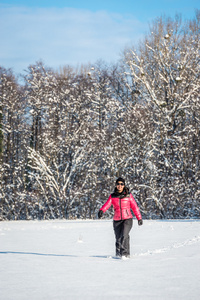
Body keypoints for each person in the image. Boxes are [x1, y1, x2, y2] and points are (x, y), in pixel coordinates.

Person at [98, 177, 143, 259]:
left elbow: (135, 207)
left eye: (121, 184)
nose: (120, 186)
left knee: (124, 235)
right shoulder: (113, 196)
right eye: (118, 184)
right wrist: (102, 210)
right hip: (117, 220)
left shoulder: (129, 195)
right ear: (116, 185)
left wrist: (139, 218)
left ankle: (124, 255)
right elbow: (107, 204)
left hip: (127, 219)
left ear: (124, 185)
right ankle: (118, 255)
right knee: (118, 238)